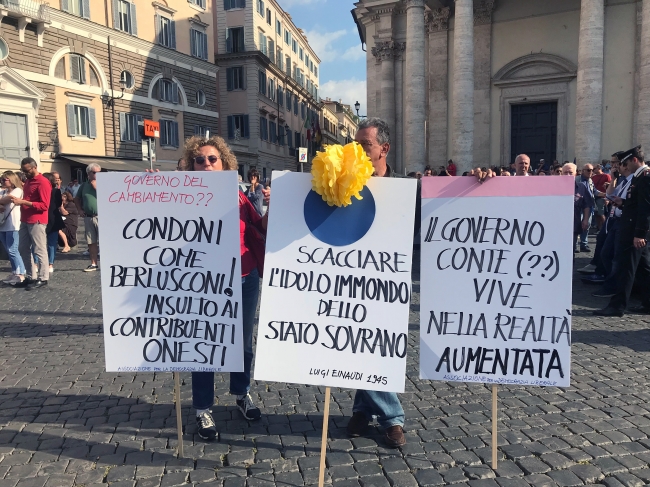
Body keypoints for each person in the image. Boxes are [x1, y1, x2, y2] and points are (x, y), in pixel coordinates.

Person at [181, 135, 270, 441]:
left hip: (245, 278)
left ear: (224, 163)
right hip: (204, 283)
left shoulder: (240, 196)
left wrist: (281, 205)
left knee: (243, 343)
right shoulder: (179, 196)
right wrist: (153, 194)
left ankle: (242, 394)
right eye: (200, 159)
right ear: (191, 165)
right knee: (202, 345)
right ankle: (203, 408)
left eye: (212, 159)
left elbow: (261, 228)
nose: (206, 163)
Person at [350, 117, 408, 448]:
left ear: (384, 149)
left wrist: (479, 180)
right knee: (359, 342)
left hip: (388, 279)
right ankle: (375, 412)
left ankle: (381, 414)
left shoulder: (403, 188)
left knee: (376, 345)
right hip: (353, 275)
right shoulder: (347, 182)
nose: (357, 150)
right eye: (355, 144)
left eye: (365, 145)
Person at [594, 145, 650, 317]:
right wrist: (623, 203)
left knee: (625, 269)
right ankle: (648, 303)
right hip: (633, 229)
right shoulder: (639, 177)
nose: (623, 167)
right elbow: (636, 204)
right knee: (644, 269)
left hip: (634, 232)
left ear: (634, 160)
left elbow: (645, 208)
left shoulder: (645, 177)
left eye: (625, 163)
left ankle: (617, 306)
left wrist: (640, 234)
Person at [11, 158, 51, 289]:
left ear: (34, 167)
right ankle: (31, 276)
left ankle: (43, 277)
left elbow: (44, 205)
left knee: (39, 249)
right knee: (23, 248)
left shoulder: (43, 182)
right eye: (23, 170)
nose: (24, 173)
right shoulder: (28, 181)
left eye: (26, 171)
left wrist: (23, 202)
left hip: (37, 220)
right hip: (25, 219)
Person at [0, 171, 26, 285]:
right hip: (2, 224)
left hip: (13, 224)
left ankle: (21, 273)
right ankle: (15, 271)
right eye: (1, 179)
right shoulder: (3, 191)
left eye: (4, 179)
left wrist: (3, 201)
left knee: (12, 250)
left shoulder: (18, 191)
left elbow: (7, 200)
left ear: (12, 180)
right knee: (8, 250)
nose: (2, 181)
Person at [563, 162, 594, 253]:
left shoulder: (581, 187)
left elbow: (587, 204)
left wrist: (585, 219)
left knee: (571, 250)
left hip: (574, 222)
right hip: (558, 224)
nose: (568, 175)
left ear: (575, 173)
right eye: (565, 172)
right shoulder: (554, 186)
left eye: (570, 173)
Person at [75, 164, 100, 272]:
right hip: (89, 217)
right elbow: (76, 198)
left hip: (102, 216)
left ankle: (108, 263)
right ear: (88, 174)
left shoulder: (105, 184)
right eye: (94, 172)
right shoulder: (84, 185)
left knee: (105, 241)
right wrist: (80, 210)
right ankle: (93, 263)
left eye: (99, 172)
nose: (97, 175)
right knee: (91, 241)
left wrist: (96, 187)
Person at [42, 173, 65, 273]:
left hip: (47, 218)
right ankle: (50, 264)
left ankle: (36, 263)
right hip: (53, 218)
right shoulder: (56, 191)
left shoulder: (53, 191)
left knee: (39, 243)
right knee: (51, 243)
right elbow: (59, 204)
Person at [576, 164, 596, 252]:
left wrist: (605, 195)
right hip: (579, 206)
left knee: (586, 225)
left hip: (589, 206)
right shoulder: (577, 180)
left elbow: (594, 191)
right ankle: (575, 244)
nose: (590, 172)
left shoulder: (591, 180)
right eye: (588, 170)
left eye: (592, 170)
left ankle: (584, 244)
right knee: (577, 225)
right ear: (582, 171)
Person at [591, 164, 611, 231]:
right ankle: (599, 227)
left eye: (594, 169)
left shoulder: (606, 176)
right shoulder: (593, 177)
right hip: (595, 196)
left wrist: (607, 197)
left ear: (599, 168)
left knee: (601, 213)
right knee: (596, 213)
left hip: (602, 196)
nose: (593, 170)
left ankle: (605, 227)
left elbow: (610, 186)